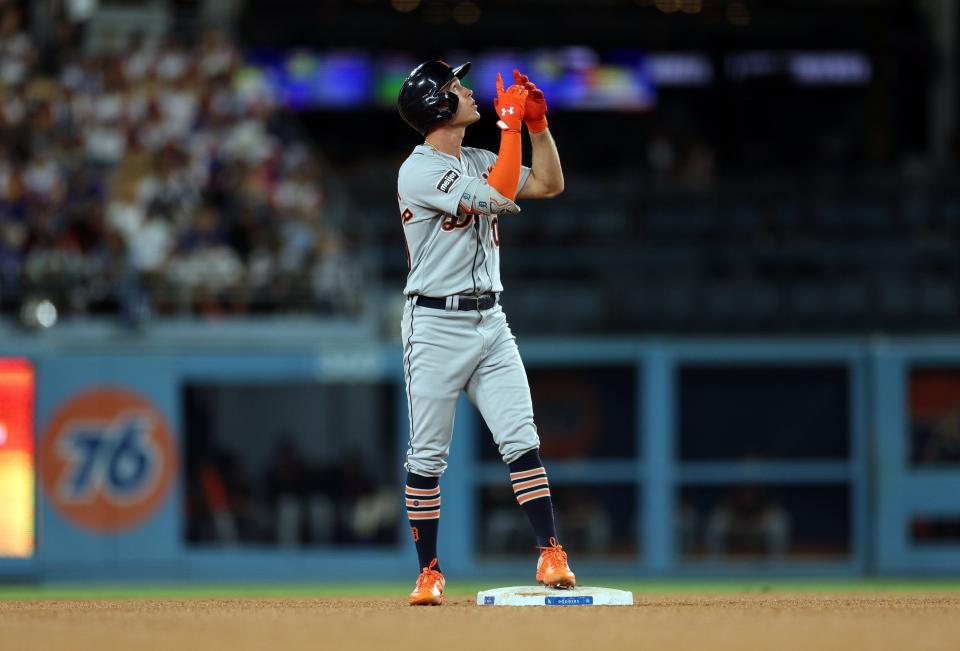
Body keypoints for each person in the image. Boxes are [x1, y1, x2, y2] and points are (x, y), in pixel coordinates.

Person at [395, 60, 573, 606]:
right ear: (437, 107)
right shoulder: (418, 170)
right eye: (455, 87)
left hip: (490, 319)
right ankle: (429, 571)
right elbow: (496, 199)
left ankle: (550, 552)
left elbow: (549, 182)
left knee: (522, 439)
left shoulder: (475, 157)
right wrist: (511, 127)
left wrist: (537, 127)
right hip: (434, 324)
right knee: (427, 456)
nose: (469, 91)